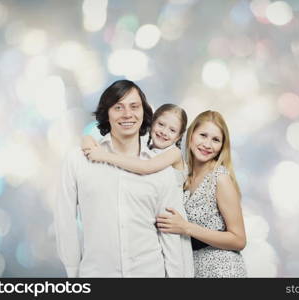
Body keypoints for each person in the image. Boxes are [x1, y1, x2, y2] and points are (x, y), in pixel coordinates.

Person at [54, 80, 193, 277]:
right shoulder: (78, 160)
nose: (127, 114)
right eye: (118, 107)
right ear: (106, 113)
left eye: (134, 107)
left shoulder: (162, 167)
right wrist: (73, 273)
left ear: (144, 113)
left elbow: (170, 233)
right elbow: (65, 221)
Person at [156, 110, 248, 277]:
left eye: (215, 140)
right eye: (203, 135)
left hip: (222, 271)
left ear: (222, 146)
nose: (207, 144)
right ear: (191, 135)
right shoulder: (184, 175)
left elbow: (239, 240)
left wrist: (186, 227)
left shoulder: (220, 178)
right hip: (193, 269)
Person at [81, 104, 187, 188]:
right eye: (161, 124)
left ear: (178, 137)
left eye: (172, 130)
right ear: (153, 123)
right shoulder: (146, 147)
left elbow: (146, 167)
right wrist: (88, 139)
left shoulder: (174, 153)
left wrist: (104, 156)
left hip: (170, 211)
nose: (164, 132)